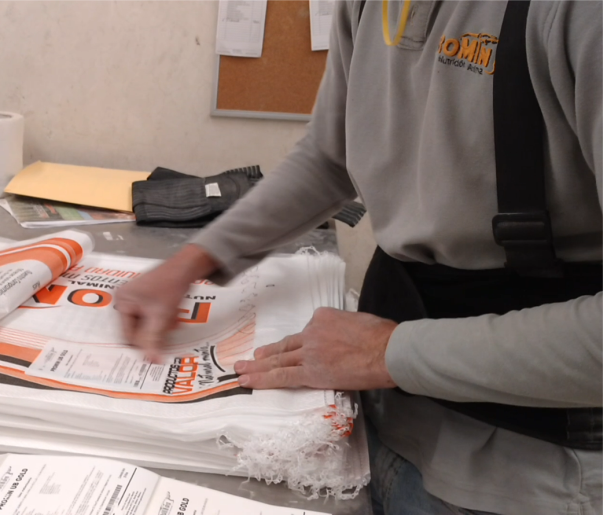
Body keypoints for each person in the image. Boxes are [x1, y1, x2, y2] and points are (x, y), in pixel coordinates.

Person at [114, 1, 603, 514]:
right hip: (380, 418)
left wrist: (385, 352)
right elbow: (330, 157)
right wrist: (193, 261)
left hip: (527, 474)